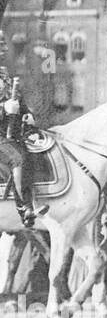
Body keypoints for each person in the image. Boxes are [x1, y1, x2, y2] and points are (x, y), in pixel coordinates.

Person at [0, 44, 43, 227]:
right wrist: (3, 109)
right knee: (18, 158)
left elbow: (20, 102)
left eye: (2, 49)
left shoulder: (5, 76)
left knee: (40, 149)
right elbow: (8, 106)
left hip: (14, 135)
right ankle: (25, 208)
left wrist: (28, 116)